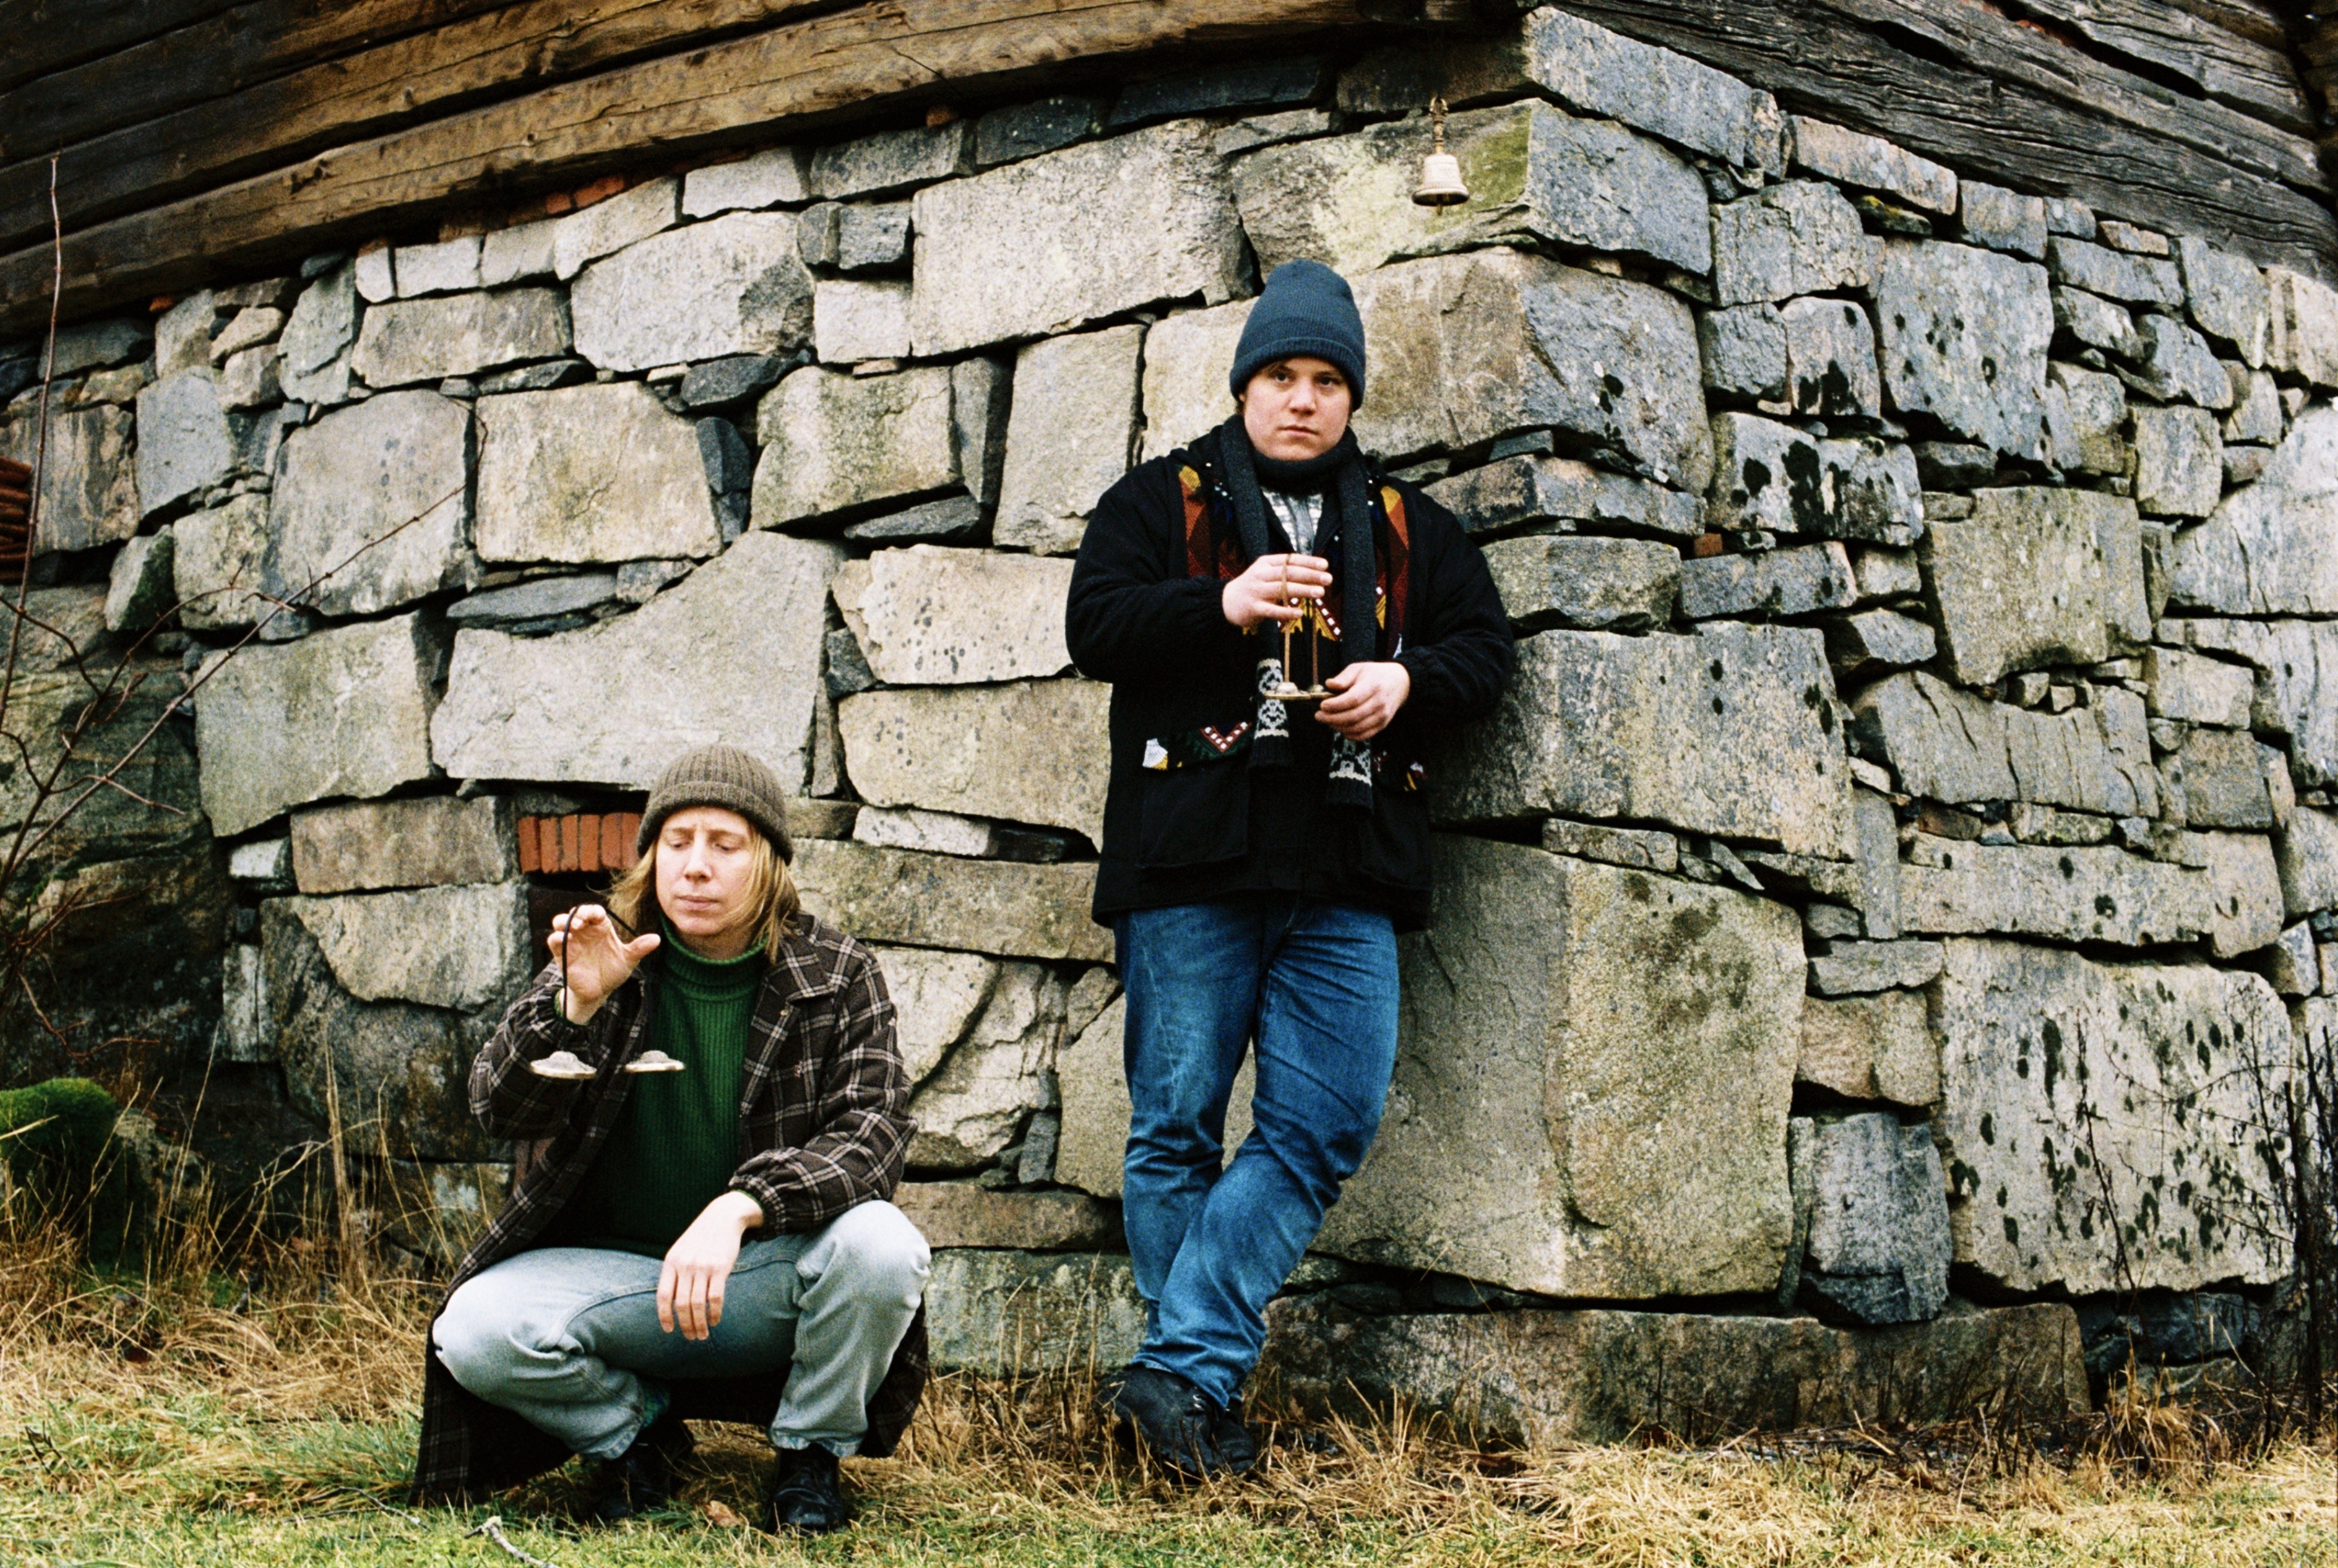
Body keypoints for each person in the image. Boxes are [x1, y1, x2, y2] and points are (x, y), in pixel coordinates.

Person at [1064, 258, 1513, 1477]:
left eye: (1326, 379)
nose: (1302, 399)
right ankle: (1192, 1407)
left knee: (1327, 1120)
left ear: (1352, 396)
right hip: (1190, 862)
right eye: (1280, 376)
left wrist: (1406, 681)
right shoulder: (1159, 500)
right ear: (1244, 386)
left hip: (1347, 868)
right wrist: (1222, 603)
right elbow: (1093, 626)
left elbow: (1486, 652)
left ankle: (1175, 1371)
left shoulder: (1413, 525)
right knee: (1174, 1129)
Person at [409, 745, 928, 1536]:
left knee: (883, 1246)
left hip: (758, 1281)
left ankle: (811, 1454)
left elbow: (874, 1132)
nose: (696, 866)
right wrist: (574, 1008)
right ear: (651, 857)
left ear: (769, 863)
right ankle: (633, 1434)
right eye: (676, 842)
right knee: (472, 1329)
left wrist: (742, 1205)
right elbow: (495, 1107)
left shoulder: (837, 971)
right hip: (619, 1289)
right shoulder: (608, 957)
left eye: (725, 844)